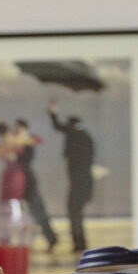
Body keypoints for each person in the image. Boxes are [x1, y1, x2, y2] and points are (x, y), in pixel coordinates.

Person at [49, 99, 98, 253]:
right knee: (76, 213)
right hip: (85, 183)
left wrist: (53, 112)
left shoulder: (75, 134)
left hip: (78, 183)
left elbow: (59, 126)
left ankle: (79, 244)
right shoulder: (86, 137)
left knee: (74, 213)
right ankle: (79, 244)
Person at [11, 118, 59, 254]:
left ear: (23, 128)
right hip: (18, 179)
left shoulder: (29, 140)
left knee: (37, 210)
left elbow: (37, 141)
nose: (16, 130)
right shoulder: (17, 140)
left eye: (18, 128)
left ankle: (51, 238)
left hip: (27, 179)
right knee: (26, 213)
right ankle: (31, 241)